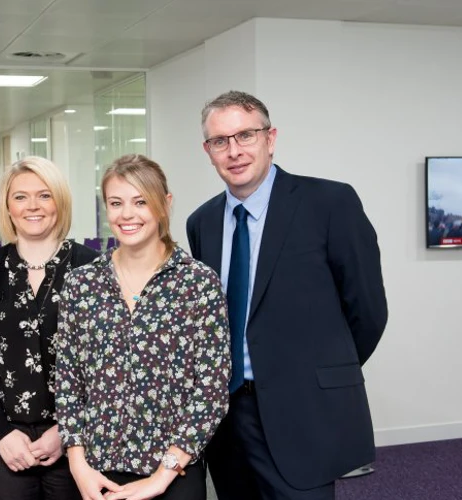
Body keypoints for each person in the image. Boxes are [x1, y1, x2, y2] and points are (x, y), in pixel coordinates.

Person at [187, 90, 389, 499]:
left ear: (270, 138)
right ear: (208, 151)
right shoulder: (202, 222)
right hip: (227, 418)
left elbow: (367, 311)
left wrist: (317, 375)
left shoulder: (330, 203)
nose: (234, 151)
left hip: (303, 412)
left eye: (246, 135)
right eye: (220, 141)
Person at [56, 154, 231, 500]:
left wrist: (162, 475)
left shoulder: (198, 283)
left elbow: (212, 389)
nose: (127, 214)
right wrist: (78, 465)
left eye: (140, 202)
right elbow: (67, 381)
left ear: (164, 204)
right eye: (116, 203)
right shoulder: (81, 284)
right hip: (98, 471)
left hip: (174, 472)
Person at [0, 156, 98, 500]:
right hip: (6, 439)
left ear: (60, 202)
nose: (32, 206)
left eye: (44, 195)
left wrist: (66, 431)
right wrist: (2, 433)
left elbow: (103, 362)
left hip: (77, 437)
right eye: (20, 197)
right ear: (7, 206)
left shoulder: (91, 267)